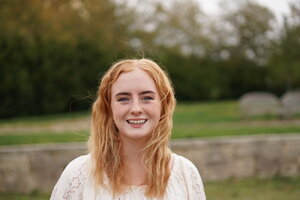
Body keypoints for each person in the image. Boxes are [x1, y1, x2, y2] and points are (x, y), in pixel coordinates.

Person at [50, 58, 206, 200]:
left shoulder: (185, 174)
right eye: (123, 99)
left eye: (147, 98)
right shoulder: (78, 175)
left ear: (163, 106)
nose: (136, 108)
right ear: (109, 108)